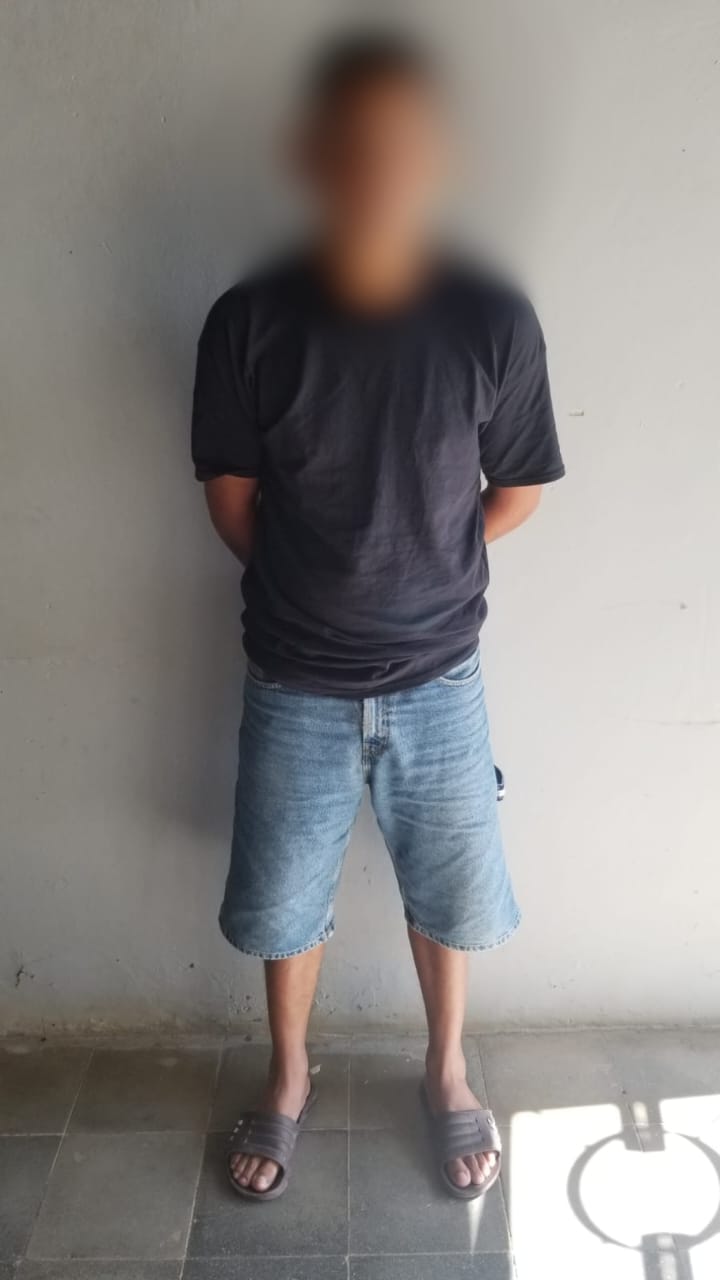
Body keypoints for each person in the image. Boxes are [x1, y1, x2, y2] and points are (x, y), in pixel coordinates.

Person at [191, 31, 564, 1203]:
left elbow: (519, 489)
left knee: (449, 897)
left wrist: (422, 565)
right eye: (353, 144)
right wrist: (325, 580)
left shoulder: (492, 319)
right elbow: (232, 500)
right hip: (290, 676)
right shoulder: (249, 320)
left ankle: (447, 1070)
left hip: (441, 675)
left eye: (404, 144)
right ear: (312, 156)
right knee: (283, 903)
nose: (379, 167)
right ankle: (288, 1072)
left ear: (438, 157)